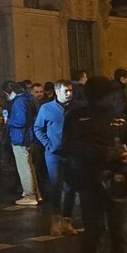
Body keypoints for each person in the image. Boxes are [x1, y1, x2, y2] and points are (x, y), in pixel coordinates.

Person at [65, 76, 127, 253]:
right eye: (111, 93)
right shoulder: (77, 118)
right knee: (94, 229)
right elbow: (70, 146)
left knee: (120, 231)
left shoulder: (121, 117)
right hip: (90, 180)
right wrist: (103, 153)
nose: (116, 97)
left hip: (118, 180)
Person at [34, 79, 78, 236]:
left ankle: (67, 221)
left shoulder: (75, 108)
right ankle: (56, 221)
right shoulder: (47, 108)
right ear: (57, 92)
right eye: (66, 91)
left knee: (71, 188)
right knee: (56, 186)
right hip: (54, 154)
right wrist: (48, 144)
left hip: (72, 153)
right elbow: (38, 128)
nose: (69, 93)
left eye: (70, 90)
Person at [4, 81, 41, 206]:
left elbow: (20, 121)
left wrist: (8, 121)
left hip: (20, 137)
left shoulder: (19, 102)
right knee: (29, 166)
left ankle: (29, 195)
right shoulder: (28, 99)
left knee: (24, 167)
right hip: (27, 136)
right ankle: (35, 194)